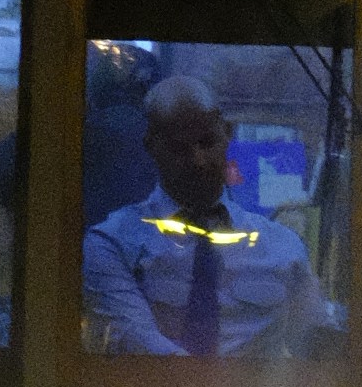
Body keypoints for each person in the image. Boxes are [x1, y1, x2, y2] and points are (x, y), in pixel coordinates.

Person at [82, 74, 337, 360]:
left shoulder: (283, 247)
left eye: (207, 142)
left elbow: (319, 348)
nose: (198, 160)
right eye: (179, 148)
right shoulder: (111, 244)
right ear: (151, 147)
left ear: (227, 134)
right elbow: (140, 345)